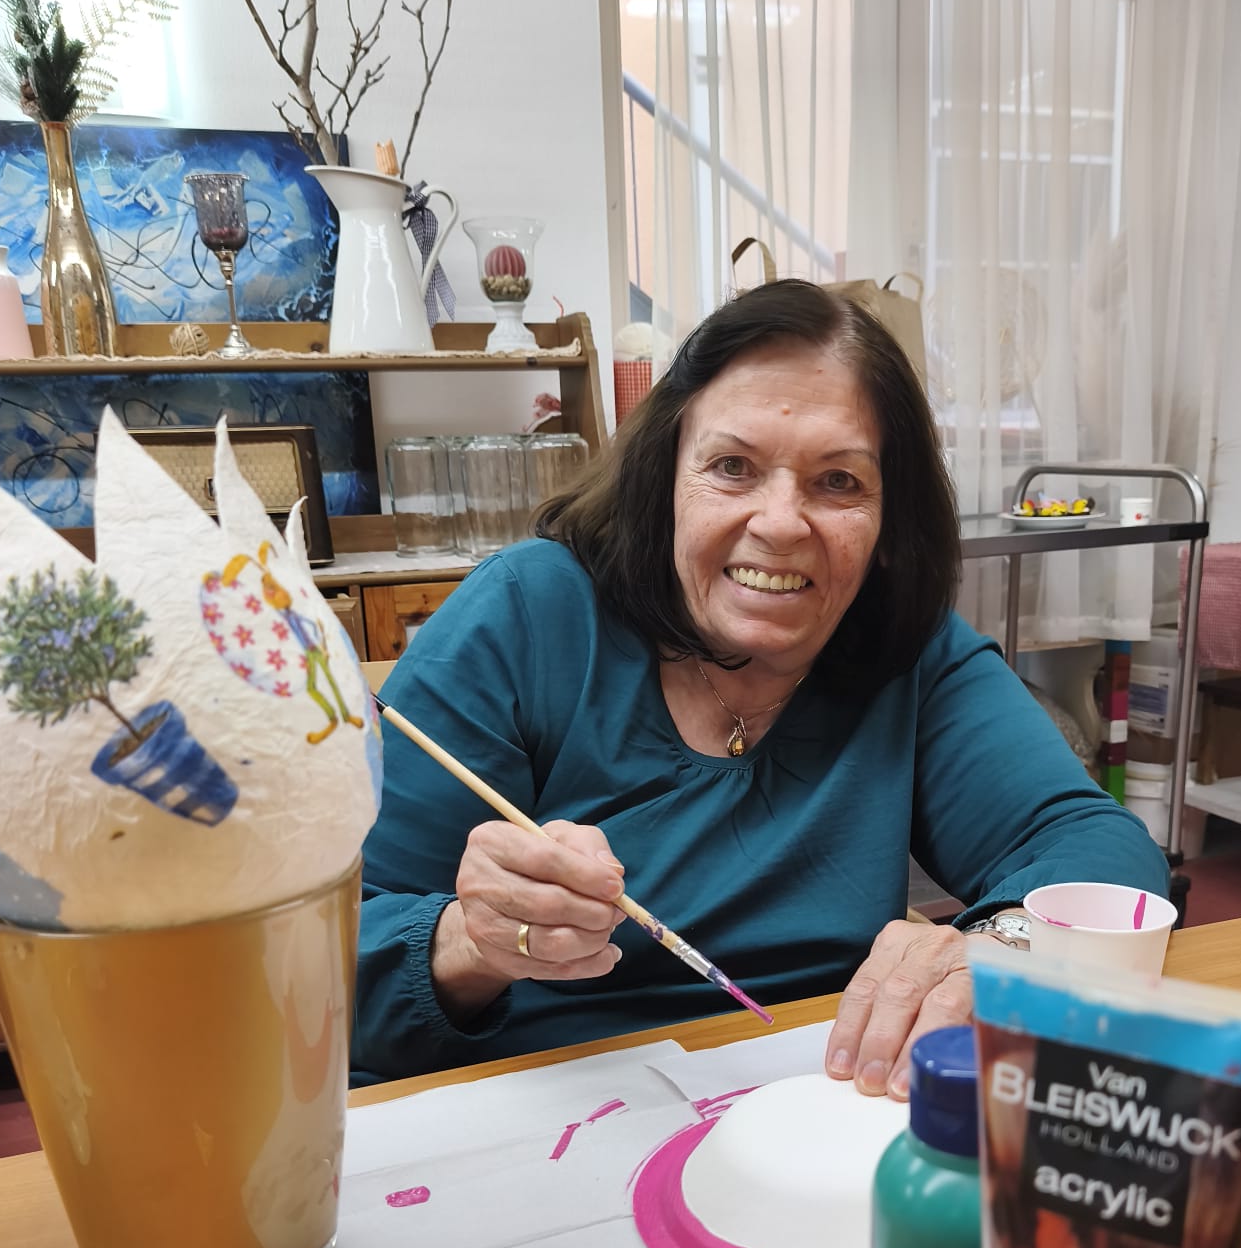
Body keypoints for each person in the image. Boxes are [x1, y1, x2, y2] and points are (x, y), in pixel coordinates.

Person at [354, 278, 1169, 1093]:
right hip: (535, 1115)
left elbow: (1099, 850)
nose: (780, 524)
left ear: (890, 522)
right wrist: (469, 941)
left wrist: (1003, 945)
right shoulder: (529, 614)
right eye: (732, 467)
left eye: (839, 482)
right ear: (665, 478)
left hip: (815, 1105)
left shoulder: (902, 648)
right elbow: (329, 959)